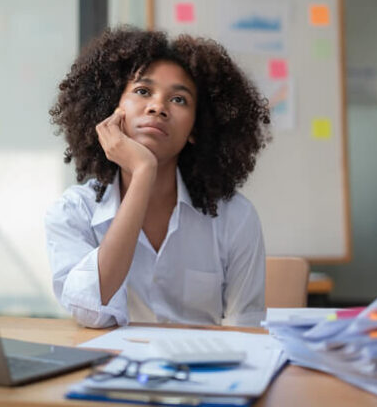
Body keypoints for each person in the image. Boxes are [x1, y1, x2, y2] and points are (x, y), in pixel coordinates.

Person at [46, 26, 270, 328]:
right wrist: (142, 173)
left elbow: (246, 329)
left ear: (195, 129)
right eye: (142, 91)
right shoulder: (74, 212)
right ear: (112, 110)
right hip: (107, 369)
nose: (158, 107)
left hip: (202, 371)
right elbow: (89, 311)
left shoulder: (235, 217)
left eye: (179, 100)